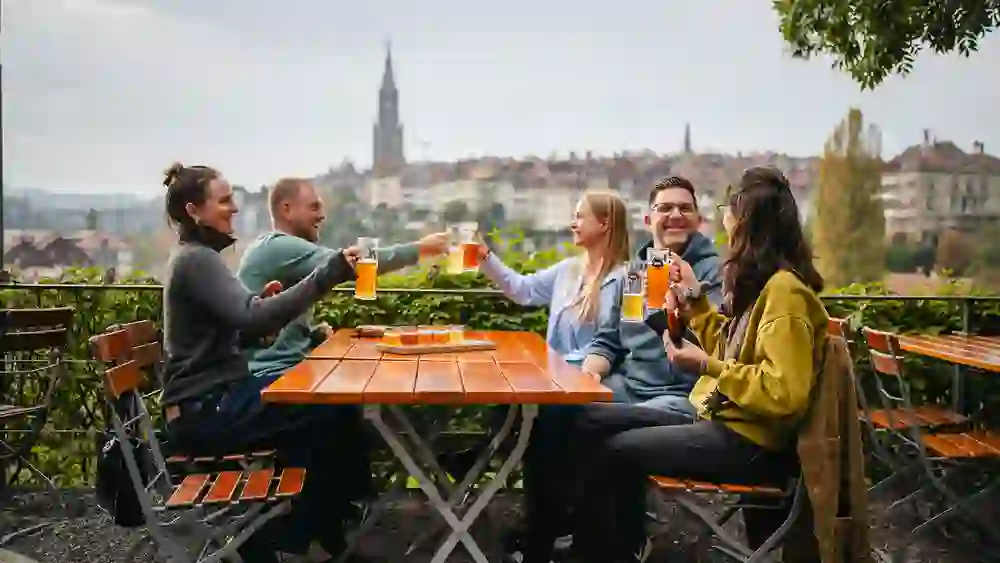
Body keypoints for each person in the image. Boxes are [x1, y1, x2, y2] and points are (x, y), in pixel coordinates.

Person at [568, 166, 829, 563]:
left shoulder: (784, 294)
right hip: (733, 425)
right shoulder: (765, 284)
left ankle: (604, 553)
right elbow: (732, 349)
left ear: (746, 223)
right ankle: (594, 545)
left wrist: (707, 365)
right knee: (589, 426)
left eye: (729, 210)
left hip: (753, 442)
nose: (723, 222)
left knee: (615, 452)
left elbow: (783, 393)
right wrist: (696, 306)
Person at [158, 163, 368, 563]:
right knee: (331, 407)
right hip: (206, 410)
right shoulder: (197, 260)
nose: (233, 209)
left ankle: (310, 531)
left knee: (326, 409)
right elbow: (252, 316)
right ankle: (310, 532)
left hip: (210, 403)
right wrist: (328, 274)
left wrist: (259, 325)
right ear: (193, 210)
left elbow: (241, 326)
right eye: (223, 201)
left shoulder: (196, 258)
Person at [237, 177, 449, 382]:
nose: (322, 216)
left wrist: (312, 335)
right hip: (273, 375)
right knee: (365, 386)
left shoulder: (271, 248)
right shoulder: (279, 246)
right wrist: (421, 248)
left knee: (361, 382)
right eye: (314, 207)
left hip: (288, 367)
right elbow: (349, 264)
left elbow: (283, 316)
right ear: (286, 210)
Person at [581, 176, 724, 418]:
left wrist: (685, 297)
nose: (676, 215)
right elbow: (608, 341)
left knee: (601, 422)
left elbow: (721, 342)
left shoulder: (716, 272)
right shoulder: (635, 273)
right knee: (560, 410)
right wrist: (589, 374)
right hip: (629, 388)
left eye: (685, 208)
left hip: (685, 395)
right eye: (665, 208)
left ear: (699, 221)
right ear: (648, 220)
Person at [478, 190, 630, 364]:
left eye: (580, 217)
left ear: (604, 224)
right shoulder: (568, 270)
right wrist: (485, 257)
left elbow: (619, 344)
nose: (573, 224)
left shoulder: (623, 279)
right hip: (556, 377)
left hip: (594, 381)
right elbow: (523, 290)